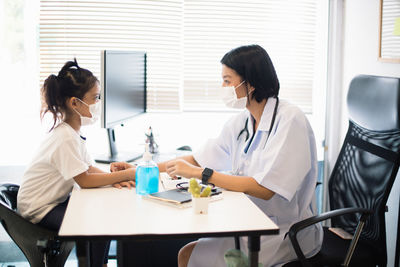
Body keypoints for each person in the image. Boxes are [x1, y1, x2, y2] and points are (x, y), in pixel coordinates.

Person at [111, 44, 323, 266]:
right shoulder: (242, 121)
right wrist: (140, 169)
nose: (222, 87)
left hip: (285, 233)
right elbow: (196, 160)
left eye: (227, 80)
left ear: (249, 83)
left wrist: (203, 174)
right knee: (187, 253)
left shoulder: (290, 121)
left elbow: (265, 189)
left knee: (187, 256)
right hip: (248, 221)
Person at [17, 59, 135, 267]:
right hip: (39, 208)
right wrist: (126, 175)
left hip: (51, 201)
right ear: (74, 103)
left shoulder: (72, 133)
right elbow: (85, 180)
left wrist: (112, 181)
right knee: (98, 222)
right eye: (95, 98)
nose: (98, 103)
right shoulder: (65, 138)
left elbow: (88, 168)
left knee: (101, 210)